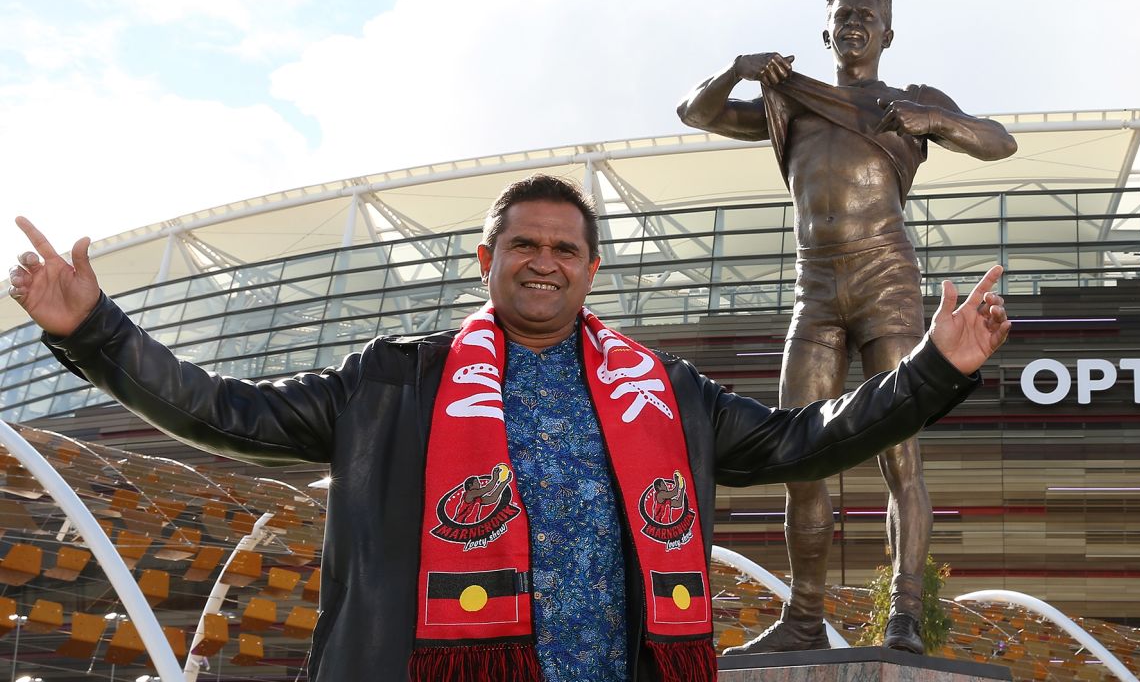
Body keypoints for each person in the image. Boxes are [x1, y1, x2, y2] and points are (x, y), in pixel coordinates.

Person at [7, 173, 1009, 681]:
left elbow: (808, 439)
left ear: (590, 269)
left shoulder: (664, 391)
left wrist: (932, 366)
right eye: (522, 244)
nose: (543, 261)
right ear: (483, 258)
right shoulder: (394, 384)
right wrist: (93, 329)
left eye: (564, 249)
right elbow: (221, 414)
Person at [676, 0, 1017, 655]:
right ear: (826, 34)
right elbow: (696, 112)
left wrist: (935, 123)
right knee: (798, 453)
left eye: (868, 17)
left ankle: (906, 618)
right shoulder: (792, 99)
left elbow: (998, 141)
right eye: (843, 17)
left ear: (887, 35)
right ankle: (804, 617)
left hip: (885, 278)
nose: (855, 24)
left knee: (901, 455)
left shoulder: (909, 101)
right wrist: (739, 69)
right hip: (815, 286)